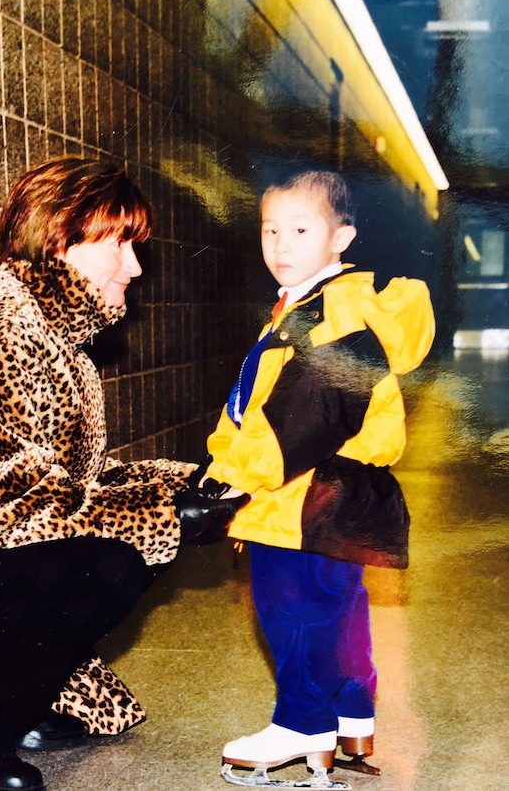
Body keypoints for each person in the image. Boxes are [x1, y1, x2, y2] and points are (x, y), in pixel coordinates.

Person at [0, 157, 227, 791]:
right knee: (112, 564)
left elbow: (82, 481)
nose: (135, 268)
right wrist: (166, 517)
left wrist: (184, 483)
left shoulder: (62, 348)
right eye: (120, 244)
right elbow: (18, 506)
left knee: (124, 550)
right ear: (62, 241)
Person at [188, 165, 435, 784]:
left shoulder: (337, 309)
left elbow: (311, 407)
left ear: (341, 237)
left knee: (293, 609)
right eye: (271, 230)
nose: (281, 245)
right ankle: (350, 717)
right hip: (331, 492)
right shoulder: (307, 304)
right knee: (339, 608)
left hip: (304, 492)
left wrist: (236, 477)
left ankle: (303, 724)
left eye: (301, 228)